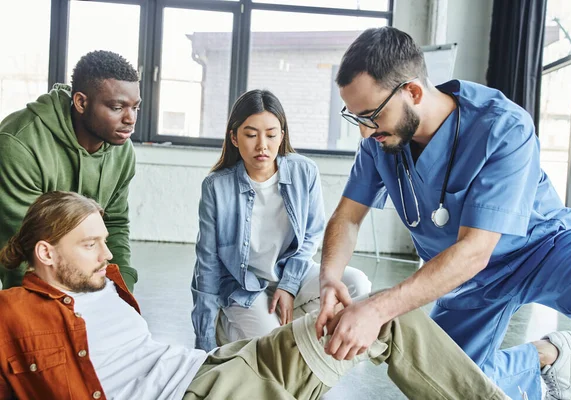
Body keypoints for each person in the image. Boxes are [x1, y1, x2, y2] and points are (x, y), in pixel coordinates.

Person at [0, 191, 509, 400]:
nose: (105, 254)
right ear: (45, 253)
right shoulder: (13, 315)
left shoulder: (106, 279)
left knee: (381, 317)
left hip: (219, 366)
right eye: (89, 245)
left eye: (103, 241)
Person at [316, 26, 571, 400]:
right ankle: (546, 356)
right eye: (357, 119)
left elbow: (476, 250)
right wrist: (330, 277)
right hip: (464, 278)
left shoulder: (502, 126)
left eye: (371, 116)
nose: (366, 133)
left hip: (541, 247)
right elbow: (348, 217)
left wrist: (375, 310)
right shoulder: (380, 142)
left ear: (413, 91)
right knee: (447, 381)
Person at [191, 89, 371, 352]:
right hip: (244, 286)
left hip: (292, 273)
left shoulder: (304, 171)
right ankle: (229, 329)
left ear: (282, 136)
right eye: (251, 135)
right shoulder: (216, 187)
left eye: (271, 134)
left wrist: (288, 287)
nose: (262, 145)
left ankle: (280, 329)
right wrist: (204, 342)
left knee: (357, 286)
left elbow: (311, 235)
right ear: (234, 137)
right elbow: (206, 264)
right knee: (274, 345)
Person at [0, 50, 140, 291]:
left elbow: (114, 224)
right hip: (31, 280)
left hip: (76, 279)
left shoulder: (122, 150)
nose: (130, 119)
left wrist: (120, 289)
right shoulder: (19, 143)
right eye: (117, 107)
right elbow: (22, 247)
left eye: (135, 107)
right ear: (81, 102)